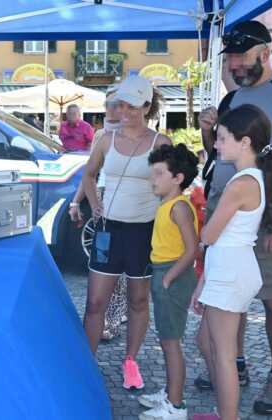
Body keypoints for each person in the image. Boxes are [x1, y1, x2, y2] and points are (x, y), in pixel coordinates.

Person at [196, 20, 272, 415]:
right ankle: (237, 365)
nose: (234, 64)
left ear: (265, 53)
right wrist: (208, 132)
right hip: (222, 209)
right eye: (230, 57)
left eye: (240, 56)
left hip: (261, 218)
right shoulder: (233, 98)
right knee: (233, 300)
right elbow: (218, 154)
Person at [193, 104, 272, 420]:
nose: (216, 145)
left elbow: (209, 234)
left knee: (223, 355)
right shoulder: (251, 177)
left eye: (222, 138)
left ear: (244, 142)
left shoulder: (240, 184)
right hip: (228, 268)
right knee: (206, 342)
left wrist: (198, 223)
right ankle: (224, 411)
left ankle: (228, 416)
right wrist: (203, 282)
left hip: (230, 271)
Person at [82, 75, 171, 390]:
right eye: (122, 105)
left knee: (138, 300)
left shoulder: (160, 143)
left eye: (133, 106)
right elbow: (89, 175)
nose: (126, 112)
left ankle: (130, 361)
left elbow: (173, 185)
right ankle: (87, 364)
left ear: (146, 106)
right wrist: (94, 204)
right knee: (95, 302)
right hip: (108, 230)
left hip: (143, 232)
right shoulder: (106, 139)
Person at [137, 144, 200, 420]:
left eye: (159, 173)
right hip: (164, 273)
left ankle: (175, 405)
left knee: (171, 343)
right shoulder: (167, 205)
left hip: (172, 276)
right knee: (166, 340)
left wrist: (169, 278)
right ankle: (170, 392)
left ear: (178, 178)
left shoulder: (179, 207)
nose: (153, 179)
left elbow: (192, 249)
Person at [69, 86, 126, 341]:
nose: (110, 109)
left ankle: (113, 318)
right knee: (102, 261)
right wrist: (76, 202)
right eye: (107, 104)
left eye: (116, 104)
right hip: (103, 202)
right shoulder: (101, 135)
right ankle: (98, 318)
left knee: (121, 266)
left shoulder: (136, 135)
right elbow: (89, 173)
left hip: (127, 205)